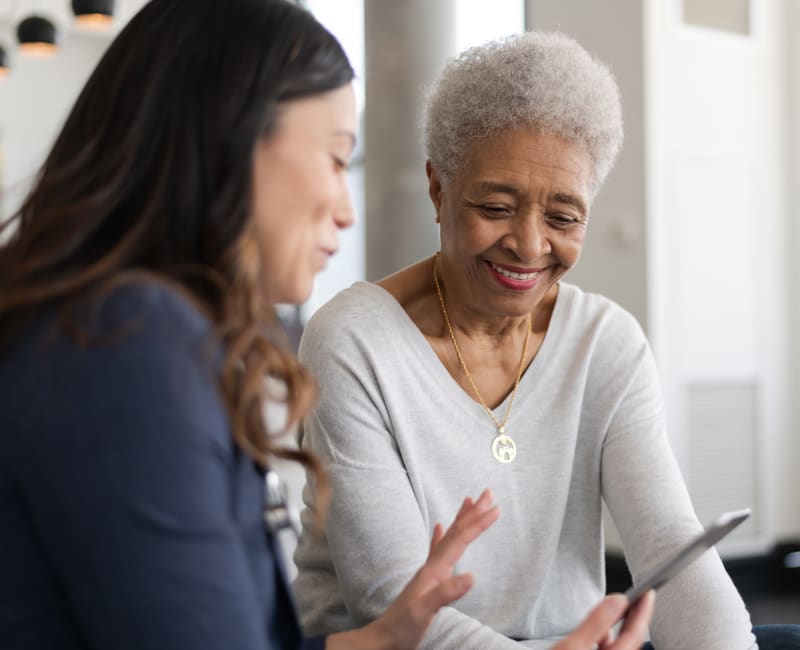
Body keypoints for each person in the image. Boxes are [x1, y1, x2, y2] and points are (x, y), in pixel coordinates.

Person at [0, 2, 657, 649]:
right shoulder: (126, 343)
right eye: (338, 159)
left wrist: (382, 640)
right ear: (228, 143)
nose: (346, 211)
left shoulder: (118, 328)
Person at [291, 31, 790, 649]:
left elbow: (670, 546)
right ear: (438, 188)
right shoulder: (353, 342)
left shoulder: (606, 343)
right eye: (496, 206)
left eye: (563, 217)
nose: (529, 246)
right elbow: (394, 605)